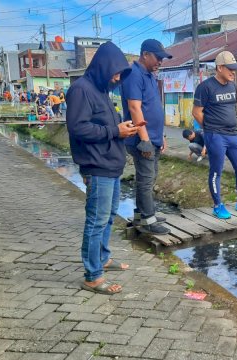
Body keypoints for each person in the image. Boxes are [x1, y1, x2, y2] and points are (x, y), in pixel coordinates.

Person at [66, 41, 139, 295]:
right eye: (115, 72)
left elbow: (107, 127)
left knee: (108, 218)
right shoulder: (81, 90)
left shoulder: (102, 91)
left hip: (111, 165)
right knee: (96, 221)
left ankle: (103, 259)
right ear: (103, 67)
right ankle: (92, 276)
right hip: (96, 166)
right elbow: (78, 128)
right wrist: (114, 131)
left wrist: (122, 129)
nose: (117, 78)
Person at [192, 51, 237, 219]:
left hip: (233, 134)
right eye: (230, 68)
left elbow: (229, 109)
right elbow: (196, 112)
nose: (233, 72)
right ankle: (217, 205)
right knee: (216, 171)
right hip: (216, 135)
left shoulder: (232, 86)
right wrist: (209, 129)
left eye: (235, 68)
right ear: (219, 67)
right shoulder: (205, 87)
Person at [121, 39, 173, 235]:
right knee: (146, 179)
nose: (160, 61)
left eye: (162, 58)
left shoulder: (150, 75)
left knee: (149, 178)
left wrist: (162, 136)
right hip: (142, 139)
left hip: (153, 137)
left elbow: (153, 108)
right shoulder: (134, 74)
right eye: (157, 57)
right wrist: (145, 140)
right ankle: (148, 220)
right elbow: (135, 107)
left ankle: (140, 214)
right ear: (145, 54)